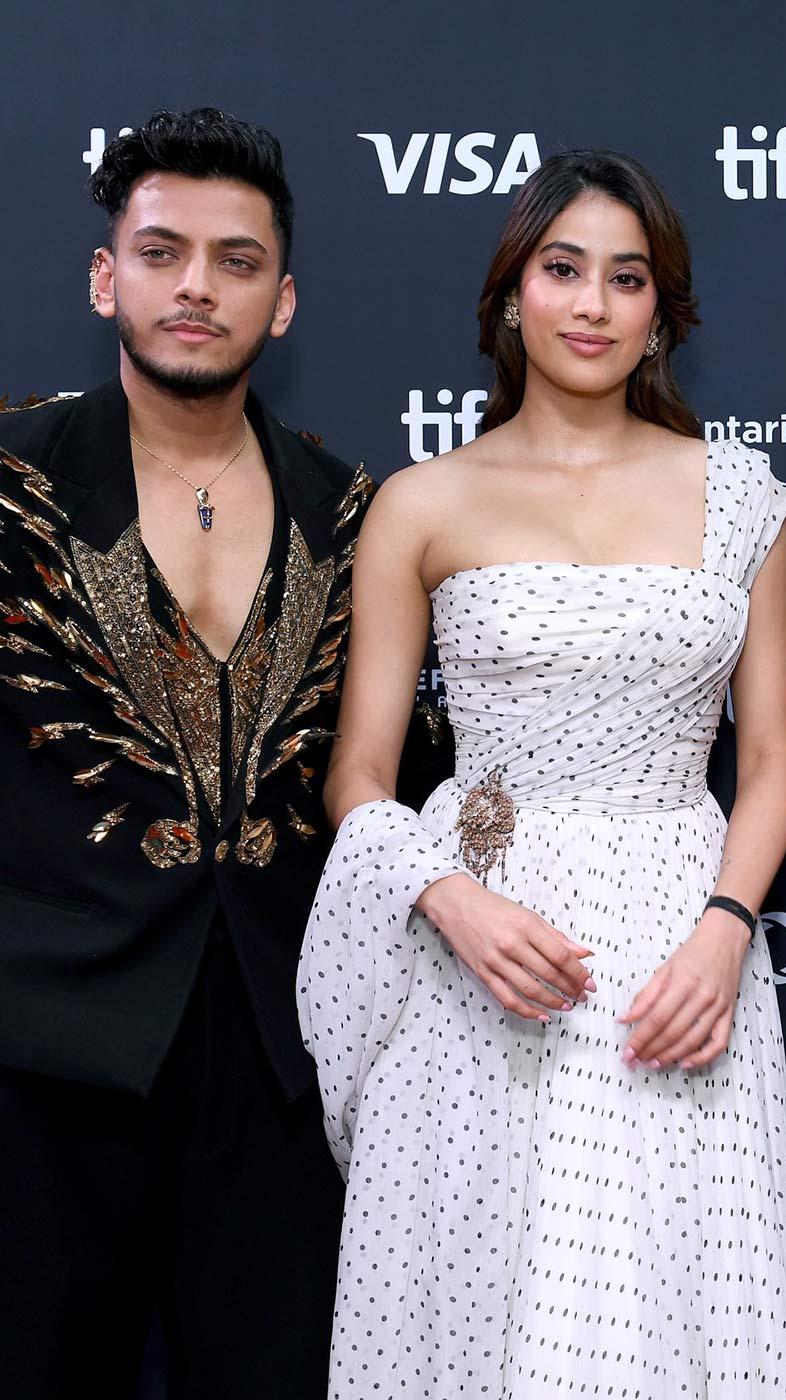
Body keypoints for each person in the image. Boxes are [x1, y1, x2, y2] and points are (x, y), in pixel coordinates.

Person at [299, 149, 786, 1398]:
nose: (593, 304)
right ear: (511, 295)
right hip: (479, 940)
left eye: (627, 278)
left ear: (661, 312)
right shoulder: (422, 502)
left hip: (677, 947)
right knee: (474, 1309)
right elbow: (359, 772)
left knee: (668, 1307)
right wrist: (448, 899)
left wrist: (726, 929)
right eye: (563, 269)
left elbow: (771, 759)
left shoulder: (742, 497)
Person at [0, 109, 368, 1398]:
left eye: (236, 260)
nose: (197, 286)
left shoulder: (352, 512)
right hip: (48, 1044)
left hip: (278, 1050)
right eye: (163, 253)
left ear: (284, 301)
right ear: (108, 278)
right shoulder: (14, 482)